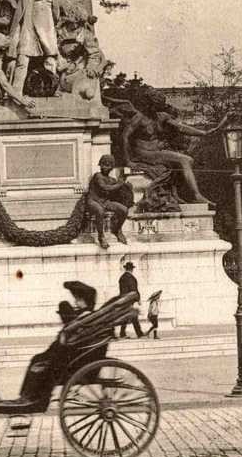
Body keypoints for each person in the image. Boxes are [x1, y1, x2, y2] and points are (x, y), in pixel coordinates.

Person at [9, 281, 97, 411]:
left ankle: (30, 398)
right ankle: (29, 397)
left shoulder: (85, 316)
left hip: (68, 357)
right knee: (38, 359)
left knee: (37, 361)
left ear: (84, 301)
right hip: (69, 353)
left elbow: (70, 337)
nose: (76, 303)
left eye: (78, 299)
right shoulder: (86, 316)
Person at [86, 155, 132, 249]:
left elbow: (117, 189)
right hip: (93, 200)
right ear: (100, 166)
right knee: (99, 211)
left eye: (108, 166)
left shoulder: (111, 180)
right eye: (103, 165)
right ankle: (101, 236)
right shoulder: (97, 176)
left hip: (105, 202)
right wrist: (119, 184)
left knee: (124, 210)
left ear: (111, 168)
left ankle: (117, 229)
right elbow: (105, 187)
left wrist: (126, 185)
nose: (105, 168)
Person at [118, 262, 144, 339]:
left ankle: (123, 333)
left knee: (127, 316)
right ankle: (139, 333)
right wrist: (138, 299)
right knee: (133, 316)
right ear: (131, 269)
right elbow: (133, 289)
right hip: (129, 300)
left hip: (123, 299)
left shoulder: (122, 277)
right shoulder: (130, 278)